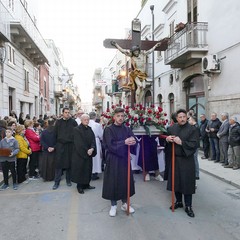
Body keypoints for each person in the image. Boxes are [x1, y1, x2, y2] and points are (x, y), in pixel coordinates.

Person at [102, 107, 136, 217]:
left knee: (125, 181)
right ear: (114, 117)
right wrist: (124, 142)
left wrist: (133, 141)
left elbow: (133, 138)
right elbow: (110, 145)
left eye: (122, 116)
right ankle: (113, 205)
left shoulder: (127, 128)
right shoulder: (109, 129)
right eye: (118, 116)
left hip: (124, 159)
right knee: (113, 181)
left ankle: (125, 203)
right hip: (113, 159)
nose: (121, 118)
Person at [166, 109, 199, 218]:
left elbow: (194, 144)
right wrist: (167, 139)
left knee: (187, 183)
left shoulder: (192, 129)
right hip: (175, 159)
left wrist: (181, 142)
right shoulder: (171, 128)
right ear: (176, 118)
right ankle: (179, 201)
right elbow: (165, 140)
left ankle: (188, 206)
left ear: (187, 117)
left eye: (184, 116)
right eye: (180, 117)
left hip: (187, 160)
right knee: (176, 182)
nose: (182, 119)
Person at [52, 108, 78, 190]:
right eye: (66, 112)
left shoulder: (73, 122)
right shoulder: (58, 122)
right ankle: (56, 182)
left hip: (70, 145)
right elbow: (55, 134)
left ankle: (68, 180)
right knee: (58, 164)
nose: (67, 114)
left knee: (69, 164)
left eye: (68, 112)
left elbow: (77, 133)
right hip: (60, 145)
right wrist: (54, 145)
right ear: (62, 113)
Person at [71, 114, 96, 194]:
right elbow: (79, 143)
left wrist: (92, 148)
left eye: (88, 119)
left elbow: (93, 139)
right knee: (81, 170)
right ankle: (80, 186)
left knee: (88, 169)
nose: (86, 121)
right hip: (80, 154)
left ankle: (87, 184)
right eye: (85, 119)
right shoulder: (76, 129)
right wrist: (87, 151)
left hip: (89, 153)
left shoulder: (89, 129)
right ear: (81, 120)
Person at [88, 111, 103, 180]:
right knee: (96, 158)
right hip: (96, 141)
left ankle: (89, 172)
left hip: (88, 141)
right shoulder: (97, 125)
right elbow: (101, 135)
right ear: (95, 117)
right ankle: (95, 173)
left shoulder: (87, 123)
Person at [188, 115, 200, 180]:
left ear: (193, 120)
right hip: (195, 145)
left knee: (195, 160)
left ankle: (196, 174)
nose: (188, 121)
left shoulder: (195, 127)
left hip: (195, 146)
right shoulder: (194, 126)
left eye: (189, 120)